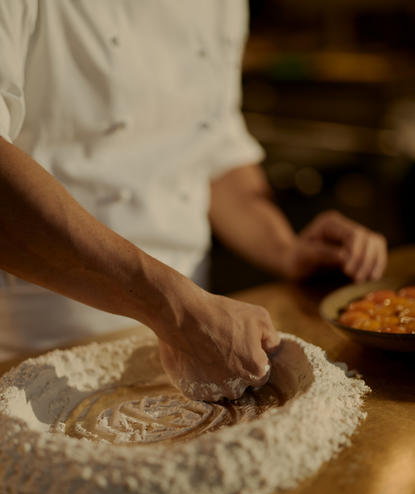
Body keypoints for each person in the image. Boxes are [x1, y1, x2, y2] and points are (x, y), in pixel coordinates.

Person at [0, 1, 387, 400]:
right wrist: (174, 310)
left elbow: (212, 147)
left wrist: (286, 248)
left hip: (198, 340)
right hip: (40, 347)